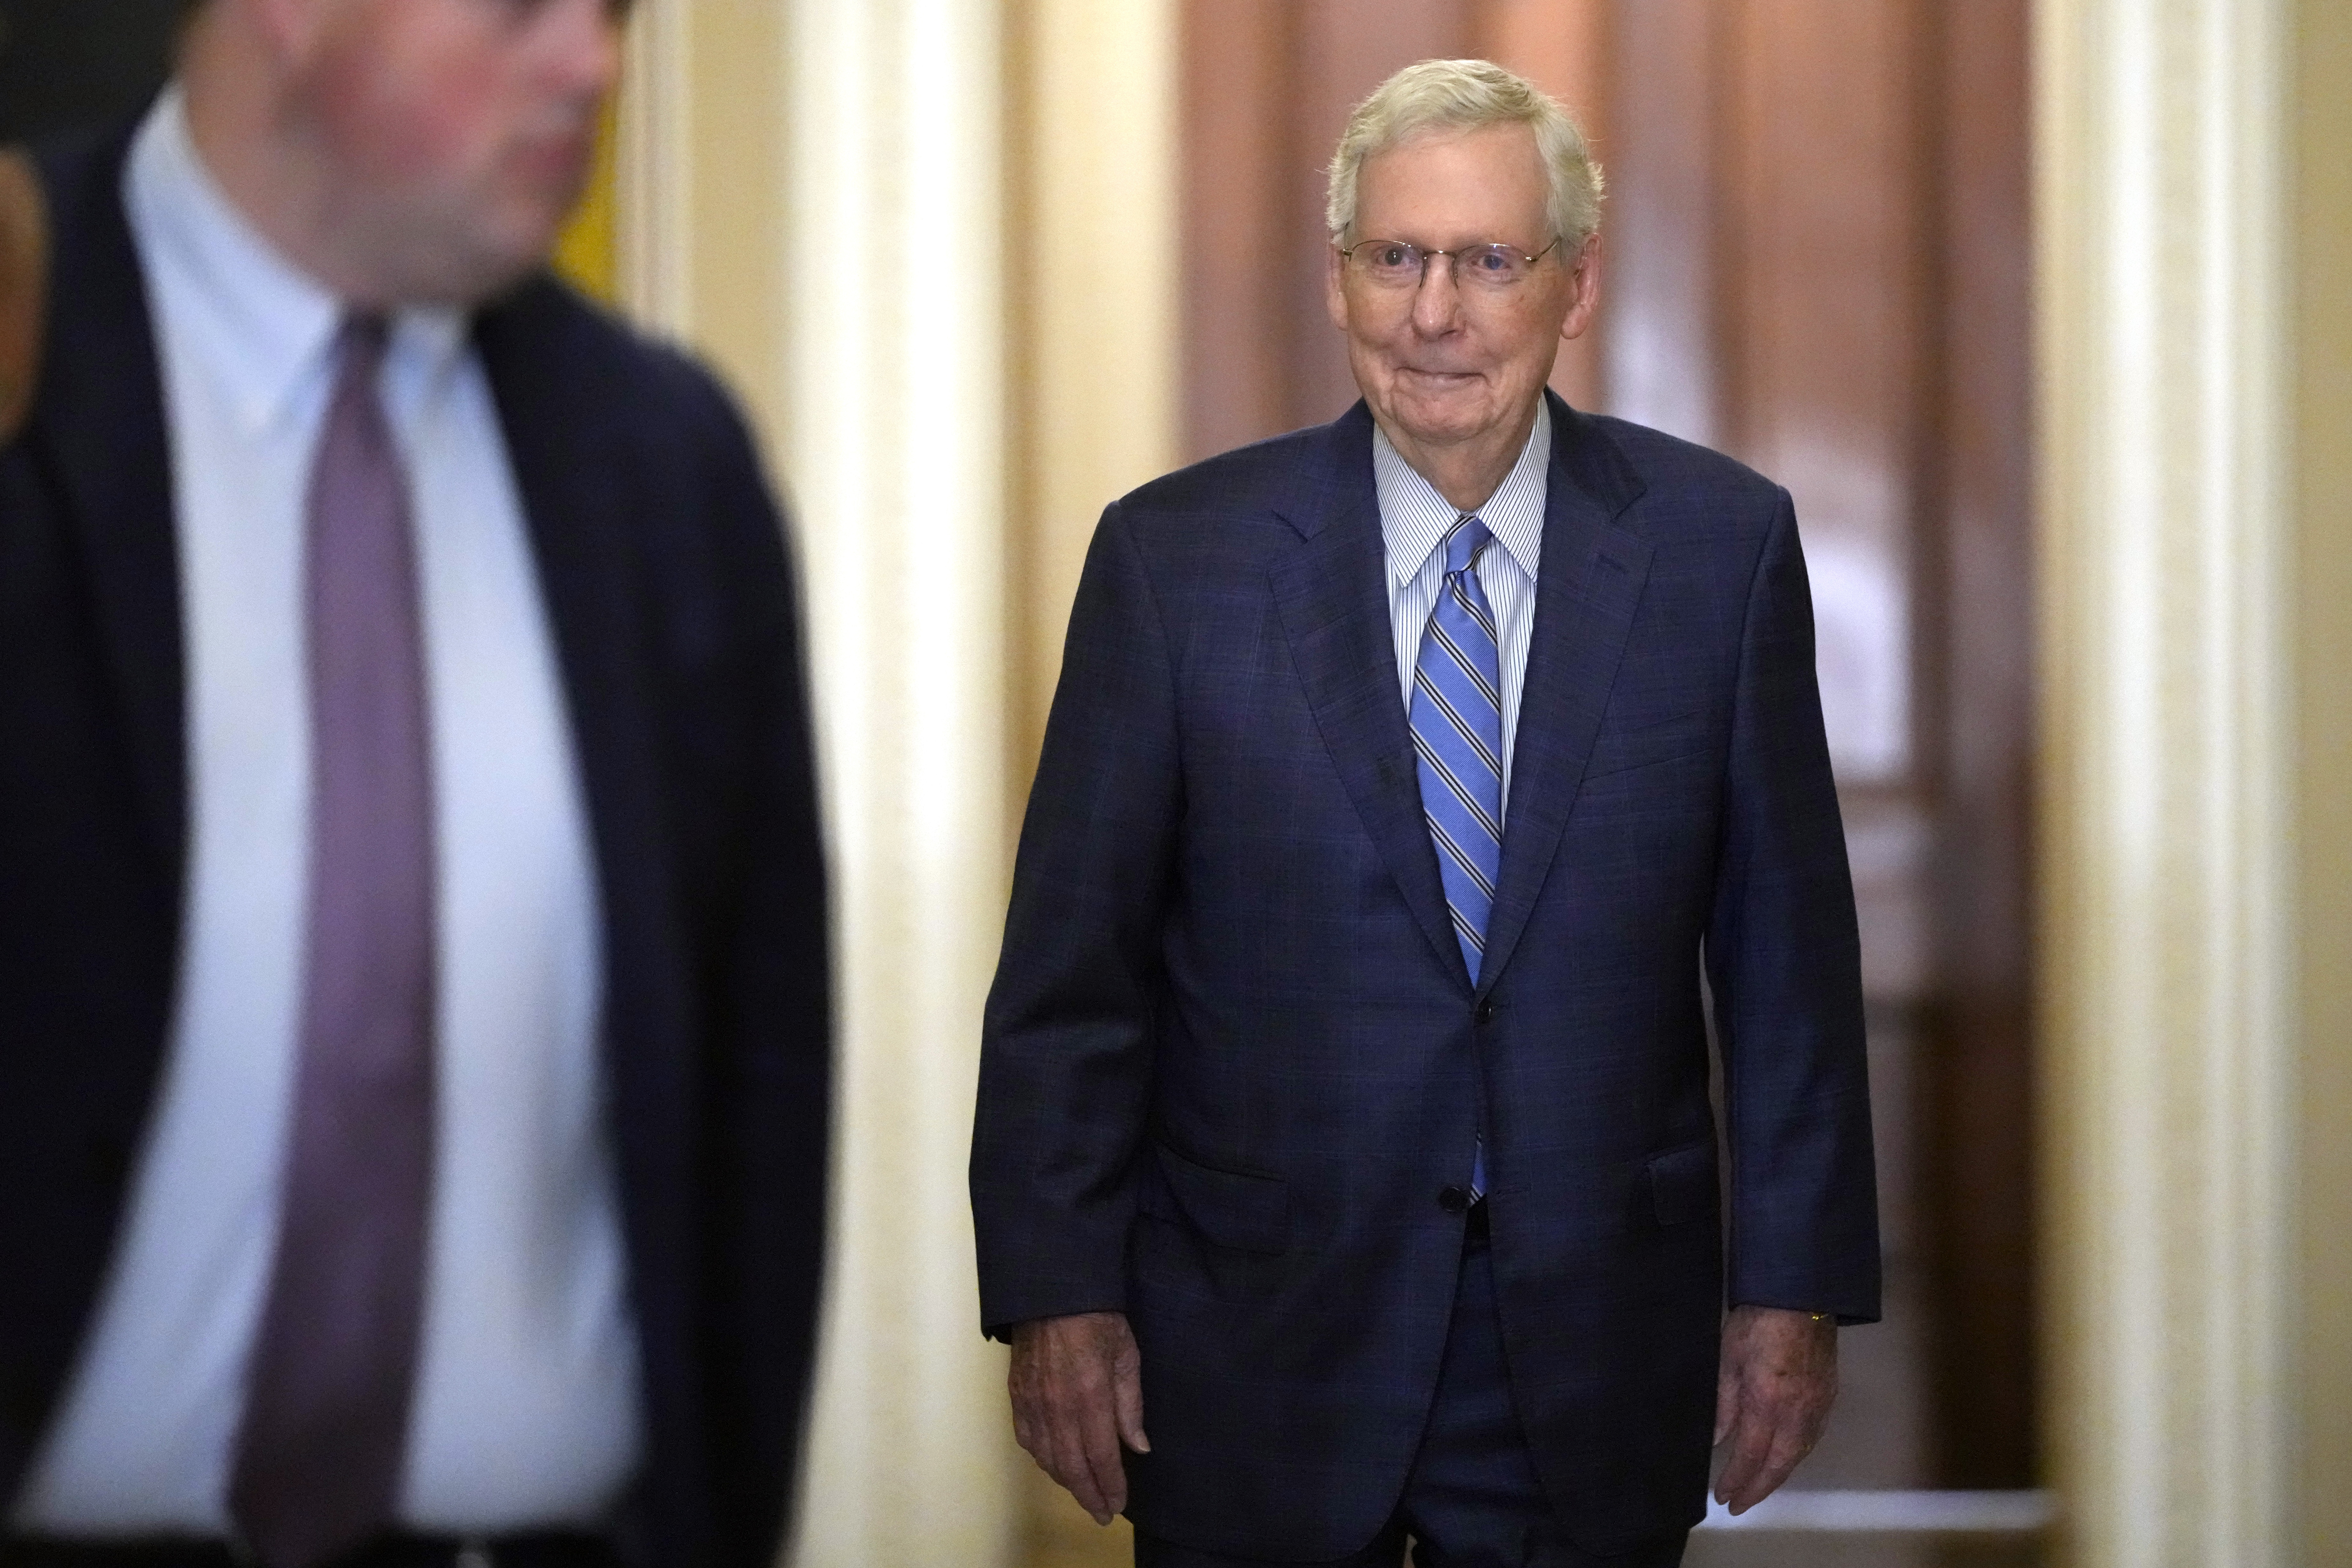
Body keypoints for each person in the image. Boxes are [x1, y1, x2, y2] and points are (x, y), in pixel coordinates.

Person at [971, 58, 1879, 1568]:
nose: (1433, 312)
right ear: (1337, 280)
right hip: (1249, 1348)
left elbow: (1789, 966)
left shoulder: (1718, 554)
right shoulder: (1171, 564)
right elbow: (1073, 982)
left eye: (1486, 261)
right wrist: (1058, 1292)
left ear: (1573, 288)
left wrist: (1789, 1292)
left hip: (1587, 1351)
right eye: (1393, 257)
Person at [0, 3, 830, 1566]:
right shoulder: (26, 348)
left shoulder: (667, 468)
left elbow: (754, 1109)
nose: (592, 65)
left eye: (614, 15)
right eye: (525, 10)